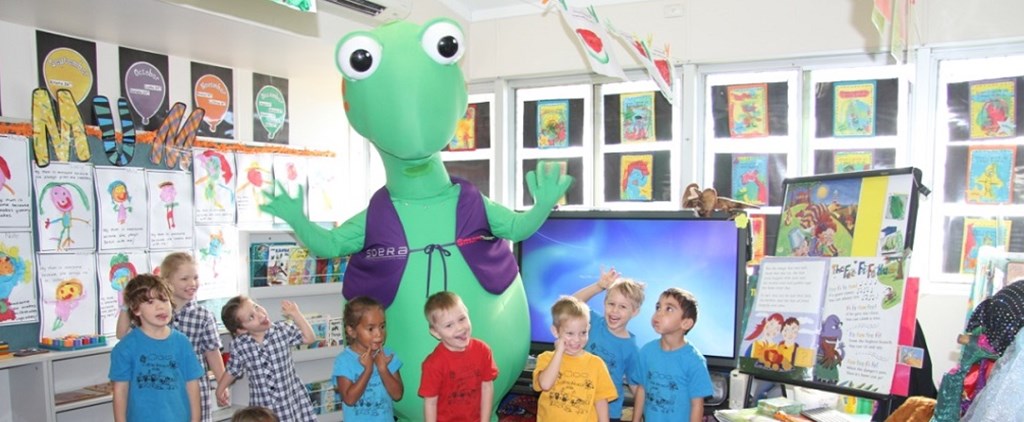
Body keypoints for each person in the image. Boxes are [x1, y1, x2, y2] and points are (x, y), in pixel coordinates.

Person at [115, 252, 225, 422]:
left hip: (193, 389)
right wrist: (127, 303)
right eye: (184, 279)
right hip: (154, 400)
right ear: (167, 281)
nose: (192, 283)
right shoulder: (151, 317)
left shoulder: (202, 316)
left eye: (195, 277)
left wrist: (222, 384)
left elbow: (213, 353)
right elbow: (122, 335)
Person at [109, 274, 204, 422]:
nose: (160, 306)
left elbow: (192, 385)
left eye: (164, 300)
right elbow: (120, 390)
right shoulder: (126, 347)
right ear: (136, 310)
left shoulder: (182, 343)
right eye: (151, 302)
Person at [216, 296, 317, 421]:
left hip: (290, 402)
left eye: (256, 307)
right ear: (241, 329)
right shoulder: (240, 345)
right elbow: (232, 370)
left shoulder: (282, 330)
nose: (260, 315)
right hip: (262, 407)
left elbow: (310, 338)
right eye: (251, 317)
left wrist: (296, 315)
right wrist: (220, 389)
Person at [571, 267, 645, 422]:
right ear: (604, 303)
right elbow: (571, 304)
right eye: (611, 303)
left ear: (635, 312)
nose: (614, 311)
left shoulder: (632, 348)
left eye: (623, 306)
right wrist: (599, 286)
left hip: (609, 413)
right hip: (577, 403)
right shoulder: (594, 322)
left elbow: (635, 386)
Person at [633, 288, 713, 422]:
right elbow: (642, 389)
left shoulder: (694, 360)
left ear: (686, 323)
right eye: (658, 307)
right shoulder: (647, 351)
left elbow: (697, 405)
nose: (659, 313)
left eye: (668, 309)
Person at [533, 296, 618, 421]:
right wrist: (559, 353)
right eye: (570, 333)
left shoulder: (596, 364)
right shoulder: (546, 359)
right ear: (555, 332)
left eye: (583, 333)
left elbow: (601, 402)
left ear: (588, 329)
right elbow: (545, 384)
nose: (577, 340)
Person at [419, 291, 498, 422]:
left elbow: (487, 387)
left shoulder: (483, 351)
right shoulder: (433, 364)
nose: (460, 328)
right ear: (436, 332)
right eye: (449, 325)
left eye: (462, 319)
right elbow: (430, 403)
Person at [332, 296, 404, 421]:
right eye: (371, 329)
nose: (379, 334)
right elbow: (349, 399)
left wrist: (382, 368)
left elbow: (397, 394)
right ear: (352, 331)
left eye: (382, 326)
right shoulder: (343, 361)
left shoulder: (387, 355)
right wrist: (368, 370)